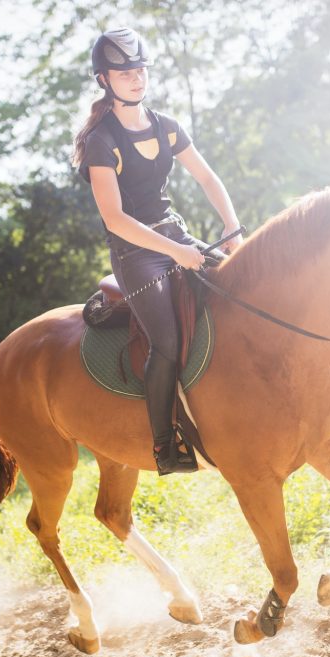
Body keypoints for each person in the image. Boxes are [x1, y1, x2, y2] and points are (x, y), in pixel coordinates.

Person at [73, 27, 244, 476]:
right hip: (136, 254)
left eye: (141, 69)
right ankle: (166, 447)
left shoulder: (167, 127)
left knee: (240, 293)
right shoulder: (101, 141)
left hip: (175, 237)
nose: (136, 77)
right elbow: (115, 219)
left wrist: (231, 226)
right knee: (166, 343)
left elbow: (208, 179)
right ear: (103, 79)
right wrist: (178, 252)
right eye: (125, 72)